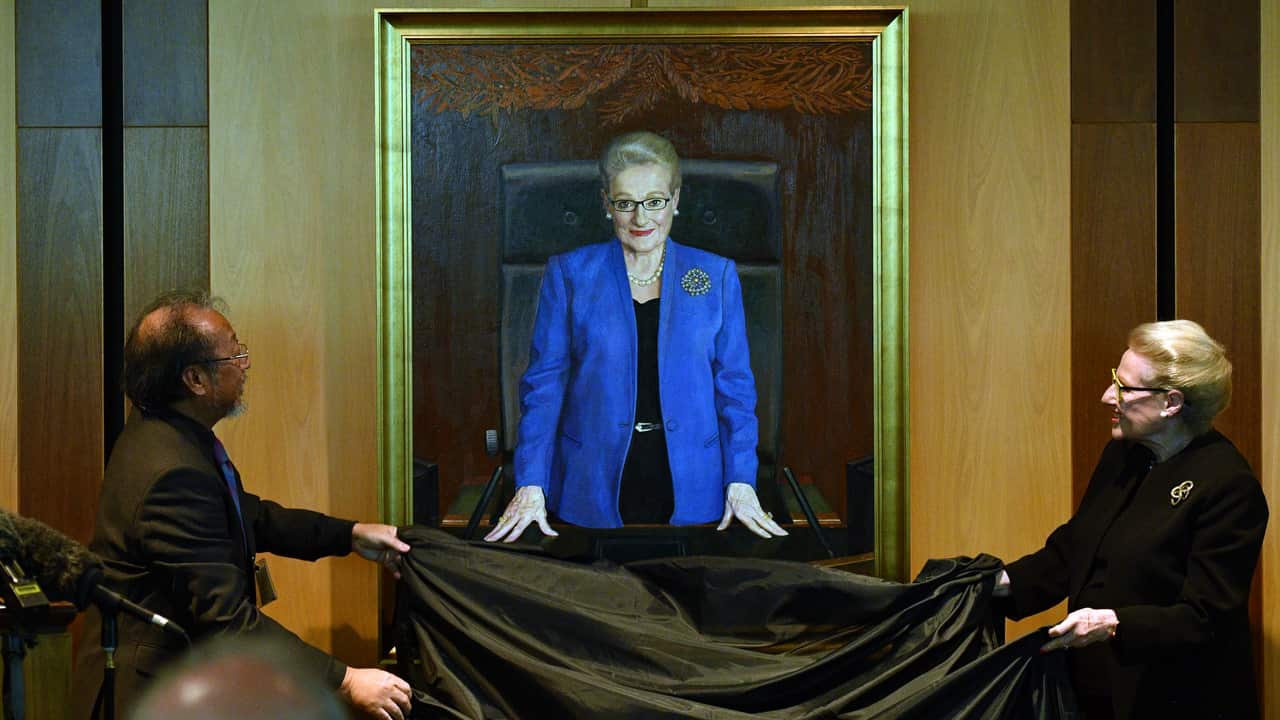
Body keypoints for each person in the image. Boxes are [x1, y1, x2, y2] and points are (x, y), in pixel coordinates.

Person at [72, 290, 413, 720]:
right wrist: (344, 679)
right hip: (150, 695)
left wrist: (350, 535)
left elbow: (247, 516)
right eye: (234, 355)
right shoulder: (171, 472)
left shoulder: (165, 433)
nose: (245, 364)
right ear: (195, 380)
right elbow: (227, 621)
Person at [486, 131, 787, 541]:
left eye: (655, 201)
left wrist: (741, 480)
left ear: (676, 199)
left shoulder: (715, 275)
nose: (641, 219)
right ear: (606, 203)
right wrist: (531, 482)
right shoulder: (570, 274)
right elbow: (544, 386)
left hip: (695, 486)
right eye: (626, 203)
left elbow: (734, 389)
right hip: (590, 485)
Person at [993, 320, 1267, 719]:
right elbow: (1075, 549)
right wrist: (998, 584)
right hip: (1096, 689)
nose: (1108, 396)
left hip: (1174, 699)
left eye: (1124, 387)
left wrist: (1114, 623)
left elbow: (1205, 617)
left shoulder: (1229, 485)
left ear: (1171, 403)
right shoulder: (1125, 454)